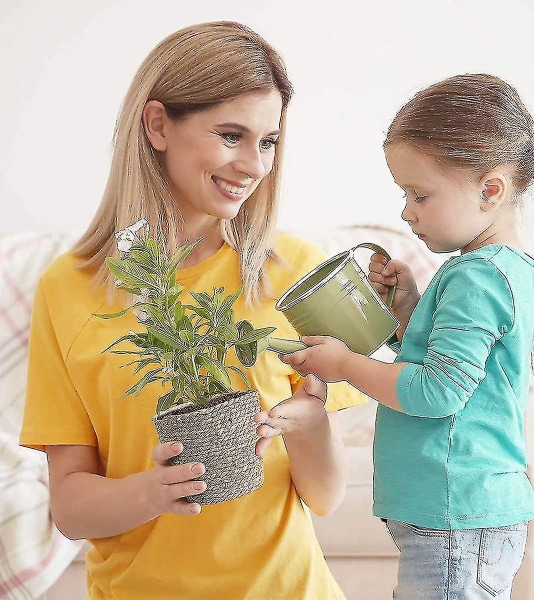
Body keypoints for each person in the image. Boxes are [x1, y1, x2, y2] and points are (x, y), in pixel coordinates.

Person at [19, 21, 364, 600]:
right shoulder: (70, 287)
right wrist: (154, 491)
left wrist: (308, 429)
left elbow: (326, 497)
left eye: (269, 140)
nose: (255, 165)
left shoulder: (296, 270)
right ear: (157, 125)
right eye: (231, 135)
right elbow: (71, 507)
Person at [278, 73, 534, 599]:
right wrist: (408, 313)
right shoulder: (492, 269)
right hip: (459, 513)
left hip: (457, 515)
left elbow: (437, 393)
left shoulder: (477, 275)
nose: (405, 211)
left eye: (419, 194)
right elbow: (454, 373)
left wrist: (345, 364)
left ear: (490, 190)